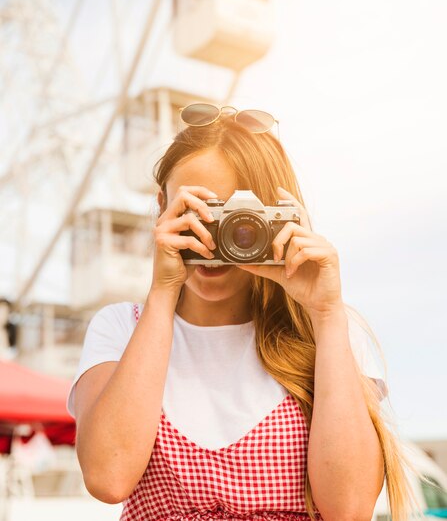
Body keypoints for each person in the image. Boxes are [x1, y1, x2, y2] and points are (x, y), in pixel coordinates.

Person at [67, 105, 418, 521]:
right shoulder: (122, 328)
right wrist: (163, 292)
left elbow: (350, 509)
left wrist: (325, 314)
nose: (213, 239)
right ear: (161, 208)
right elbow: (108, 478)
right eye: (197, 214)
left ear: (280, 219)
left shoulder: (328, 335)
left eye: (239, 221)